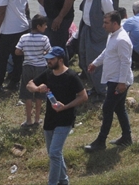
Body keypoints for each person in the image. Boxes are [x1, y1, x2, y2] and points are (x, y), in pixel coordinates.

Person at [27, 46, 87, 185]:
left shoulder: (71, 76)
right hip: (50, 118)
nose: (48, 61)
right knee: (54, 154)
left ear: (60, 60)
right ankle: (64, 181)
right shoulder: (48, 74)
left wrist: (65, 106)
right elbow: (29, 84)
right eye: (47, 59)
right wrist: (37, 88)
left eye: (51, 59)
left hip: (65, 119)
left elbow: (83, 96)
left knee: (54, 153)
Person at [84, 10, 133, 151]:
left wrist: (122, 83)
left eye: (106, 23)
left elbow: (126, 62)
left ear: (115, 23)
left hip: (119, 81)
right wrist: (95, 63)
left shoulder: (122, 39)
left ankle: (100, 141)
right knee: (119, 108)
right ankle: (126, 137)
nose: (103, 25)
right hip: (114, 79)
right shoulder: (112, 35)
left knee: (107, 108)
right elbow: (107, 52)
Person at [74, 0, 113, 98]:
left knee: (96, 62)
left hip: (98, 34)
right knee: (84, 59)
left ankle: (102, 91)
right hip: (87, 30)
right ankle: (95, 87)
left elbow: (111, 17)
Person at [15, 14, 51, 130]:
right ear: (39, 26)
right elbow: (49, 52)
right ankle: (37, 119)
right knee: (40, 94)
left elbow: (17, 52)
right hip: (41, 68)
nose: (46, 27)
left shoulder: (24, 37)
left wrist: (26, 52)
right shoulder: (44, 39)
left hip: (27, 67)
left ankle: (28, 120)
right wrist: (43, 54)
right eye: (44, 25)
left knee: (27, 94)